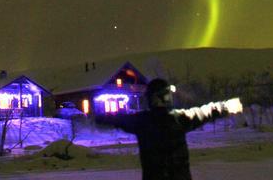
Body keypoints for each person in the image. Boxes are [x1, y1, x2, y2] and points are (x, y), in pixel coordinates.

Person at [95, 77, 241, 180]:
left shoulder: (142, 121)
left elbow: (118, 119)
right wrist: (225, 107)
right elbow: (204, 112)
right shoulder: (178, 118)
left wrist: (102, 116)